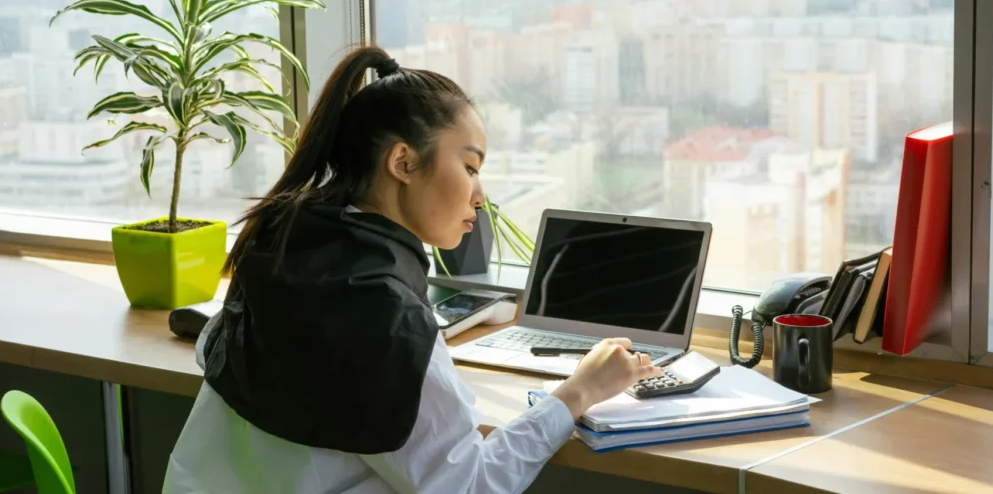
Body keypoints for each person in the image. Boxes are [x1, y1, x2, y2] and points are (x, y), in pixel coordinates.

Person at [162, 46, 661, 494]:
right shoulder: (386, 320)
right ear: (402, 162)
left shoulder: (279, 245)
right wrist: (579, 392)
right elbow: (472, 487)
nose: (479, 196)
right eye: (469, 167)